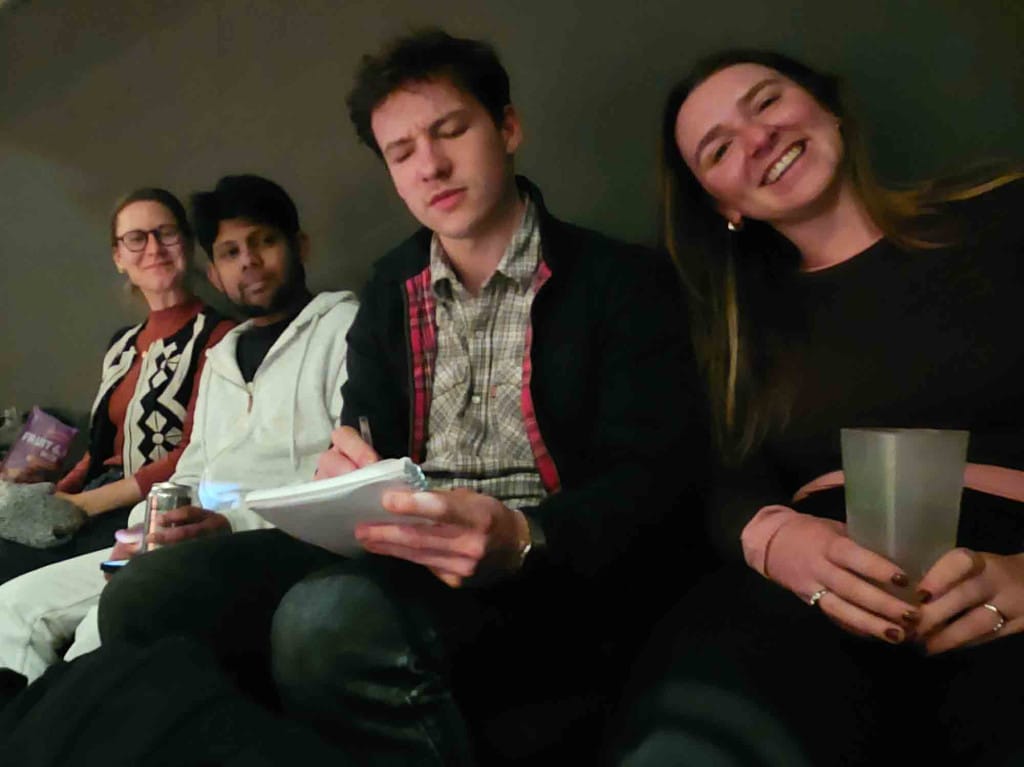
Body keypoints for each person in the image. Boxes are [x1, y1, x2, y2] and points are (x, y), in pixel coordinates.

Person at [98, 30, 708, 766]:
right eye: (402, 151)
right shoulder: (394, 287)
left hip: (542, 563)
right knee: (146, 593)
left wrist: (521, 536)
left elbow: (653, 482)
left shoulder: (619, 280)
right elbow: (367, 442)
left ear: (507, 128)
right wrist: (339, 477)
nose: (432, 166)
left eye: (451, 131)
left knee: (324, 619)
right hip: (401, 549)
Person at [627, 49, 1024, 766]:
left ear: (826, 105)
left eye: (767, 102)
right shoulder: (728, 325)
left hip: (1001, 572)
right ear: (725, 205)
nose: (758, 141)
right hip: (812, 592)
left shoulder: (1001, 216)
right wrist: (780, 542)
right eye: (719, 149)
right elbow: (716, 476)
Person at [0, 174, 358, 685]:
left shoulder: (342, 329)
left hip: (266, 542)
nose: (249, 262)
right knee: (11, 607)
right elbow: (192, 468)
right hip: (179, 536)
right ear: (213, 270)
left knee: (95, 642)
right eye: (231, 253)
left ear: (298, 246)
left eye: (264, 242)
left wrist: (230, 524)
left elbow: (345, 478)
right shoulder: (223, 356)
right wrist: (147, 528)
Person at [0, 189, 233, 583]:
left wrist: (82, 505)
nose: (154, 248)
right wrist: (56, 492)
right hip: (94, 502)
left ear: (188, 244)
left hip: (152, 512)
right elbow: (100, 450)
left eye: (166, 233)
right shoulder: (122, 345)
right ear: (118, 258)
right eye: (136, 238)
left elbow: (193, 452)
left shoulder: (219, 336)